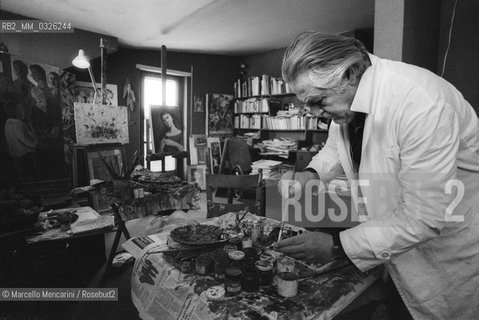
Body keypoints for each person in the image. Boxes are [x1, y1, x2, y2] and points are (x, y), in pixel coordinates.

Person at [275, 31, 479, 319]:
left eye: (319, 102)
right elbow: (336, 148)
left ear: (350, 73)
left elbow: (425, 216)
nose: (314, 113)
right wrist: (310, 174)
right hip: (392, 243)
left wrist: (337, 246)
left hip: (446, 256)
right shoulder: (349, 99)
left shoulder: (420, 103)